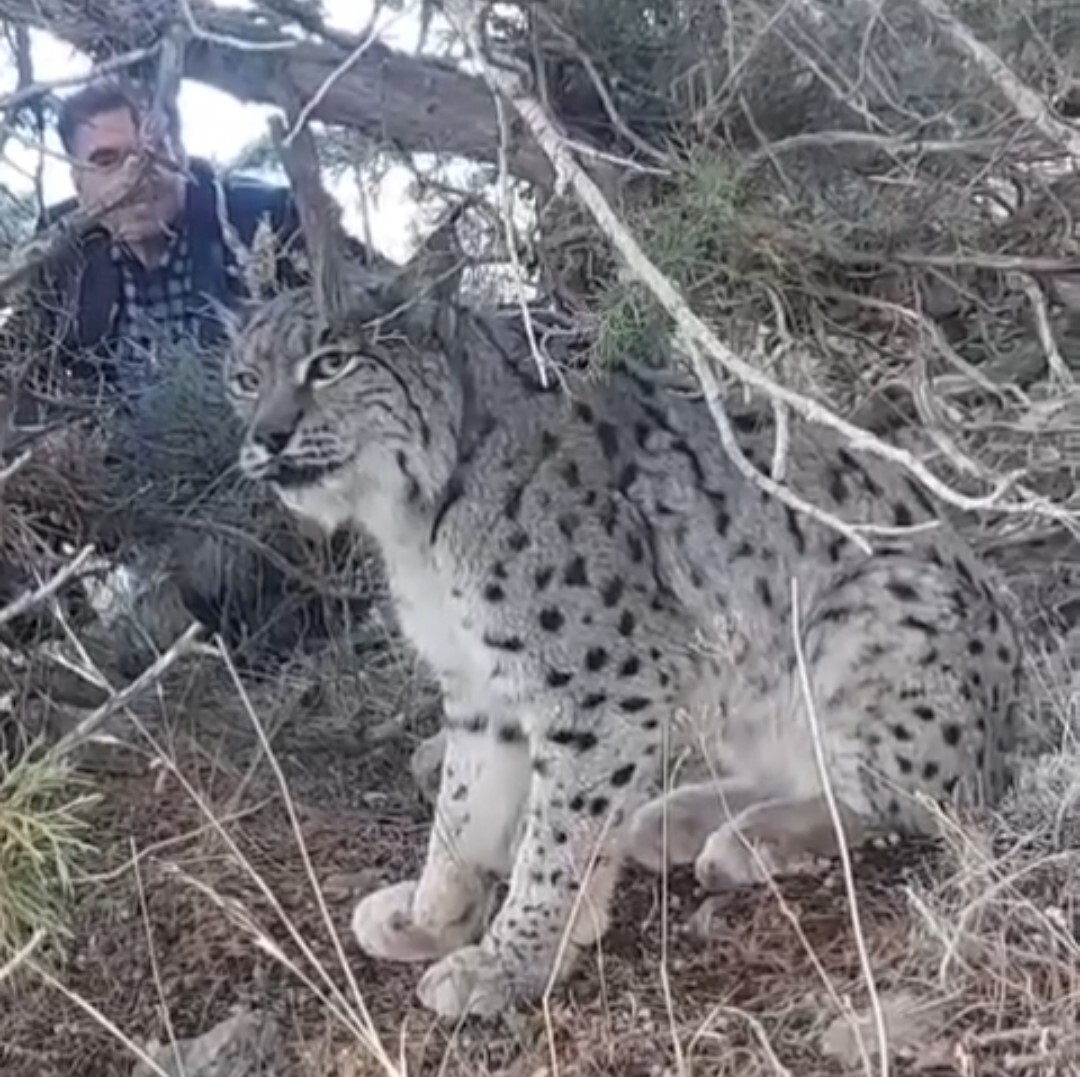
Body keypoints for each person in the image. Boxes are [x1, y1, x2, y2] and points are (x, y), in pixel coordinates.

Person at [26, 77, 306, 391]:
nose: (135, 177)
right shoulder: (60, 248)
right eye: (107, 161)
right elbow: (23, 364)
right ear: (78, 183)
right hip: (115, 437)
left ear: (181, 155)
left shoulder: (266, 218)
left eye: (152, 151)